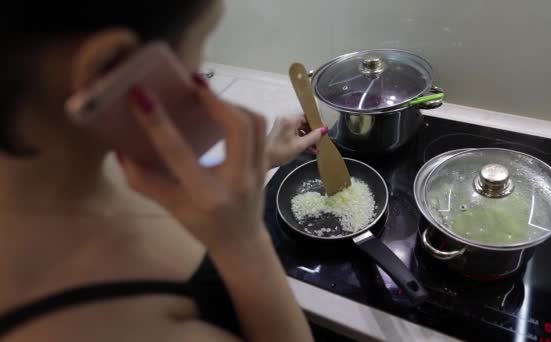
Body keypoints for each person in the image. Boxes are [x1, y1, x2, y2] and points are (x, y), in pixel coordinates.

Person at [0, 1, 326, 341]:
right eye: (204, 40)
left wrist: (261, 160)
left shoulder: (83, 155)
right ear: (108, 65)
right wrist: (243, 241)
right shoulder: (104, 327)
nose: (203, 68)